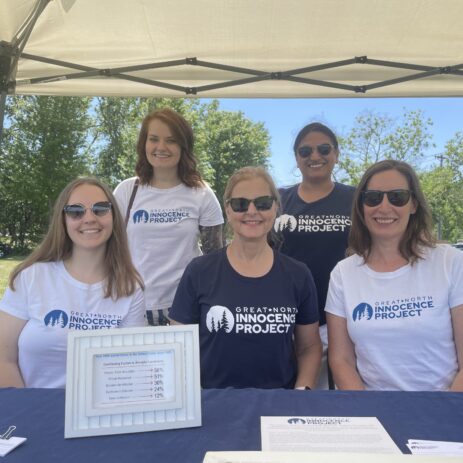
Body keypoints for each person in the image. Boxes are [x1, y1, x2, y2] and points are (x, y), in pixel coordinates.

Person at [169, 166, 322, 389]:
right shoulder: (199, 271)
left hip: (278, 410)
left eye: (262, 203)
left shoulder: (298, 275)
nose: (252, 211)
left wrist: (302, 393)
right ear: (228, 210)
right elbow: (179, 347)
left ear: (276, 208)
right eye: (241, 204)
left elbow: (309, 347)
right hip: (214, 407)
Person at [325, 160, 463, 391]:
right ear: (361, 206)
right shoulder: (343, 273)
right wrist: (369, 416)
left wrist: (444, 413)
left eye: (397, 197)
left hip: (443, 410)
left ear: (413, 205)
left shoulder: (450, 262)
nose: (384, 207)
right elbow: (341, 360)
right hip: (373, 414)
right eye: (373, 198)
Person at [0, 178, 146, 388]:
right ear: (63, 219)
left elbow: (132, 368)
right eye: (76, 211)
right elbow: (4, 359)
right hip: (32, 412)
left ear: (113, 216)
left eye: (100, 209)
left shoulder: (129, 289)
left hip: (102, 416)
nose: (89, 218)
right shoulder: (31, 277)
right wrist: (28, 412)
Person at [114, 108, 223, 326]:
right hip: (132, 307)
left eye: (171, 141)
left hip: (185, 309)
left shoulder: (202, 194)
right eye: (153, 139)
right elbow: (108, 250)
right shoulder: (126, 191)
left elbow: (217, 259)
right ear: (144, 143)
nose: (161, 147)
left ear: (184, 147)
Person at [275, 122, 355, 389]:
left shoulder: (355, 199)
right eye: (305, 151)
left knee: (334, 400)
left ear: (336, 154)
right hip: (289, 317)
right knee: (293, 393)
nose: (315, 156)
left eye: (323, 149)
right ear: (297, 158)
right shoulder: (279, 200)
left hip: (342, 318)